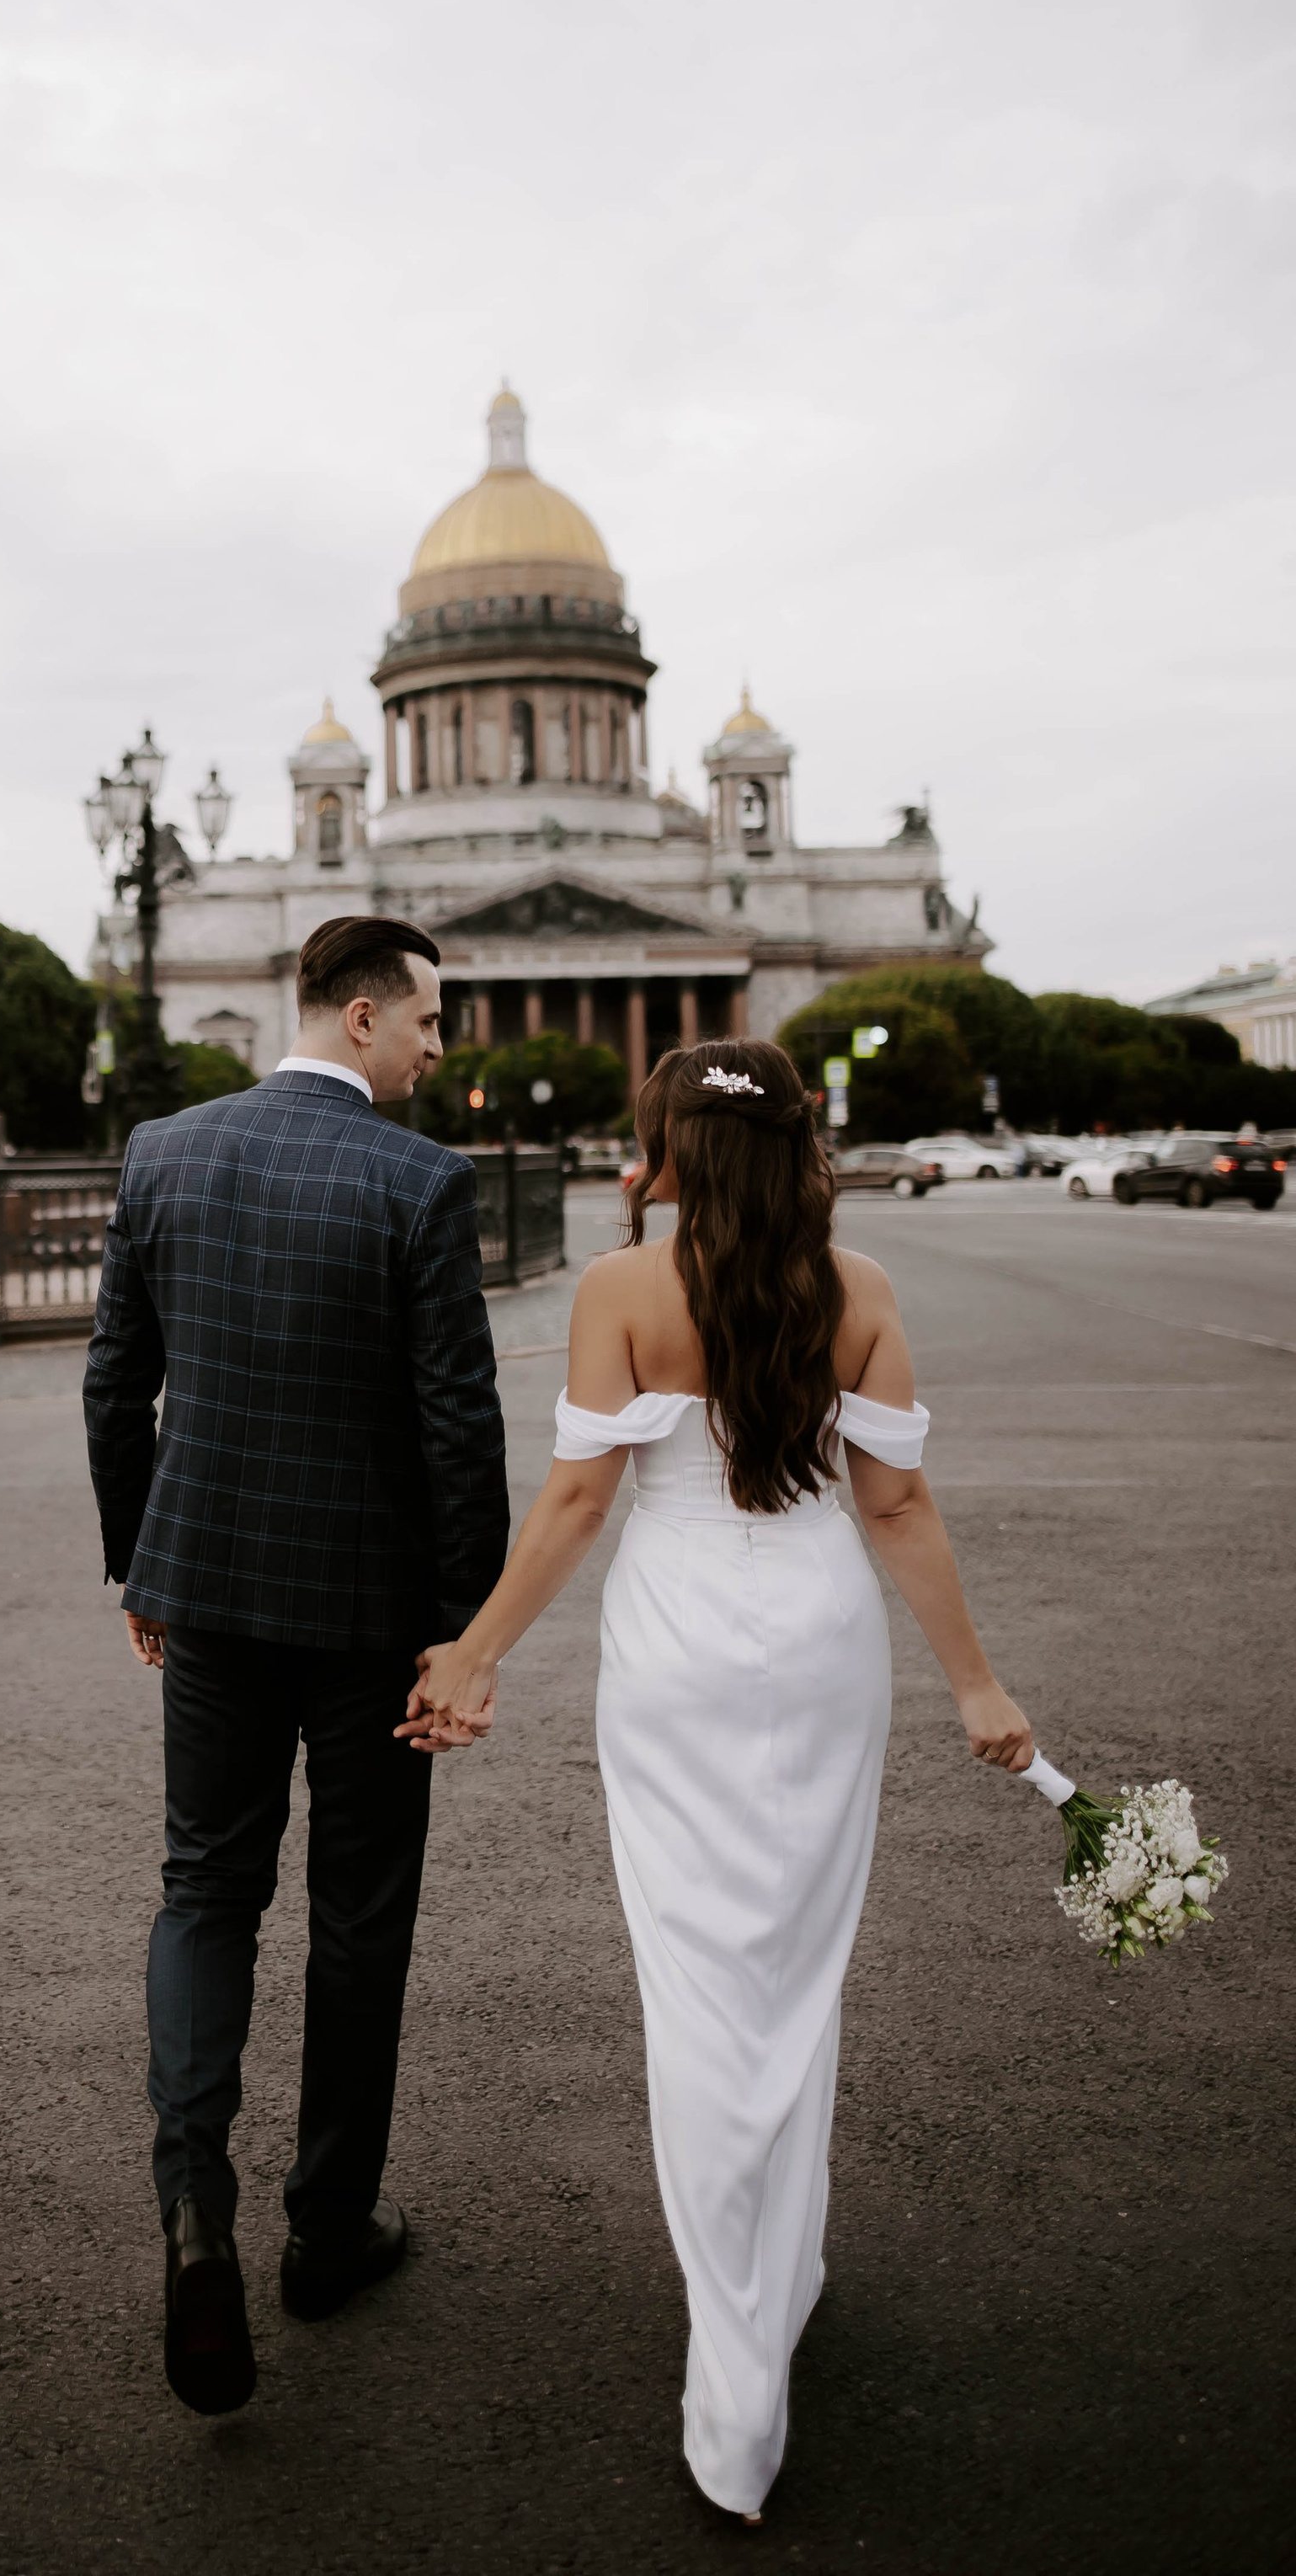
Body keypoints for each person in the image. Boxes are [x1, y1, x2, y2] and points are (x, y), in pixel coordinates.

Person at [404, 1037, 1033, 2525]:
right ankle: (782, 2271)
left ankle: (736, 2365)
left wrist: (476, 1652)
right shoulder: (859, 1290)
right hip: (820, 1643)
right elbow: (897, 1504)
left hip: (677, 1644)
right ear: (798, 1145)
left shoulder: (623, 1290)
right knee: (797, 1977)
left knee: (696, 1981)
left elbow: (575, 1499)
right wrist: (975, 1683)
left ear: (672, 1153)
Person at [84, 915, 509, 2417]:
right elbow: (458, 1424)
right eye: (429, 1024)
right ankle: (327, 2235)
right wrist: (467, 1627)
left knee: (206, 1888)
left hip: (203, 1594)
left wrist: (139, 1560)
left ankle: (194, 2208)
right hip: (368, 1612)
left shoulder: (165, 1152)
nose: (438, 1050)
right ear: (357, 1015)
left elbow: (115, 1382)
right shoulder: (418, 1180)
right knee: (358, 1919)